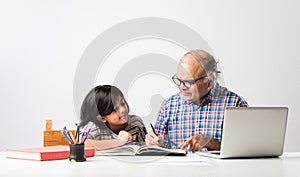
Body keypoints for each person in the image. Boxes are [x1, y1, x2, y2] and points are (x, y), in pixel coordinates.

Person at [146, 49, 248, 152]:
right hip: (177, 168)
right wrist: (153, 142)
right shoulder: (168, 106)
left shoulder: (235, 104)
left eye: (188, 82)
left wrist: (214, 144)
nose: (182, 87)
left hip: (219, 168)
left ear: (209, 82)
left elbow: (246, 149)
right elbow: (158, 147)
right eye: (179, 80)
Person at [79, 85, 147, 150]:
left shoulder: (135, 123)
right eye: (115, 109)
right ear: (102, 118)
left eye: (122, 103)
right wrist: (118, 141)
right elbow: (83, 144)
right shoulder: (94, 127)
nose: (123, 110)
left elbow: (145, 148)